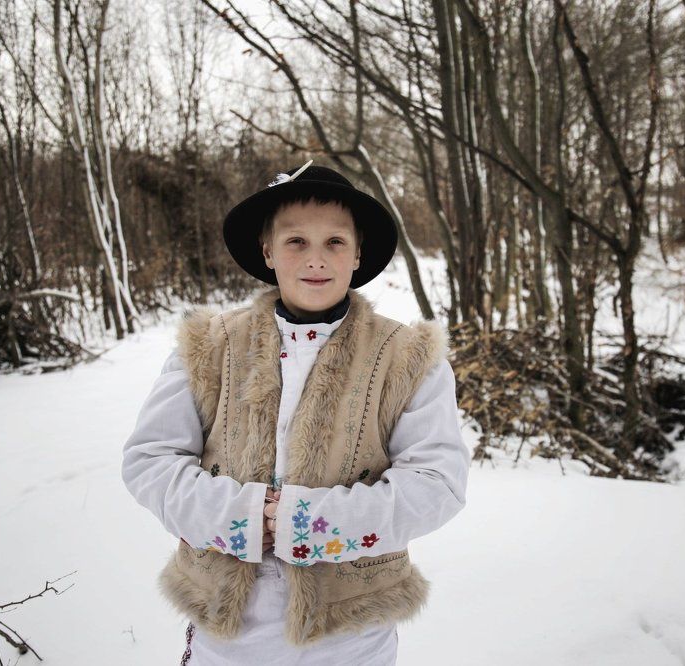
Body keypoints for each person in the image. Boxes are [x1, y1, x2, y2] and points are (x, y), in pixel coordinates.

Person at [121, 161, 470, 665]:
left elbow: (438, 483)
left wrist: (307, 524)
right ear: (267, 250)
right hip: (226, 636)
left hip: (351, 638)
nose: (316, 259)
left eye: (335, 242)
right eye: (296, 241)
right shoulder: (209, 345)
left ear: (358, 253)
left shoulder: (407, 357)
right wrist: (241, 516)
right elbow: (150, 460)